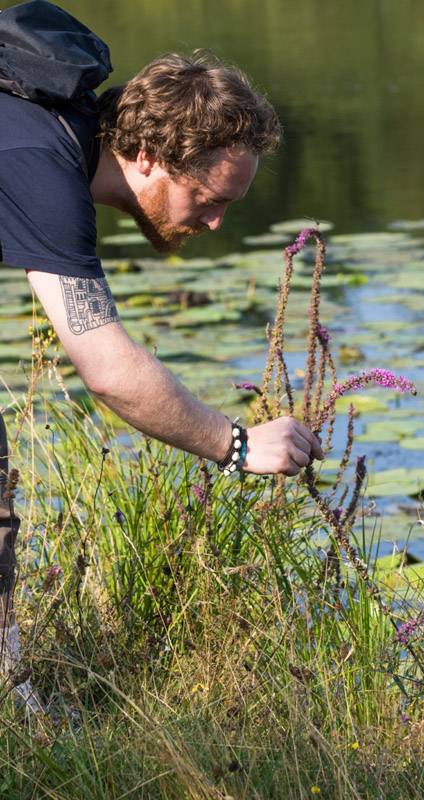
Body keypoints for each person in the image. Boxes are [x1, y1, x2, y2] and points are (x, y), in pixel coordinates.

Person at [0, 52, 324, 706]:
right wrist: (236, 445)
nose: (213, 223)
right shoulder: (38, 165)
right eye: (207, 199)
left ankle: (17, 712)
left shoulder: (45, 134)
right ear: (146, 154)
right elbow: (108, 369)